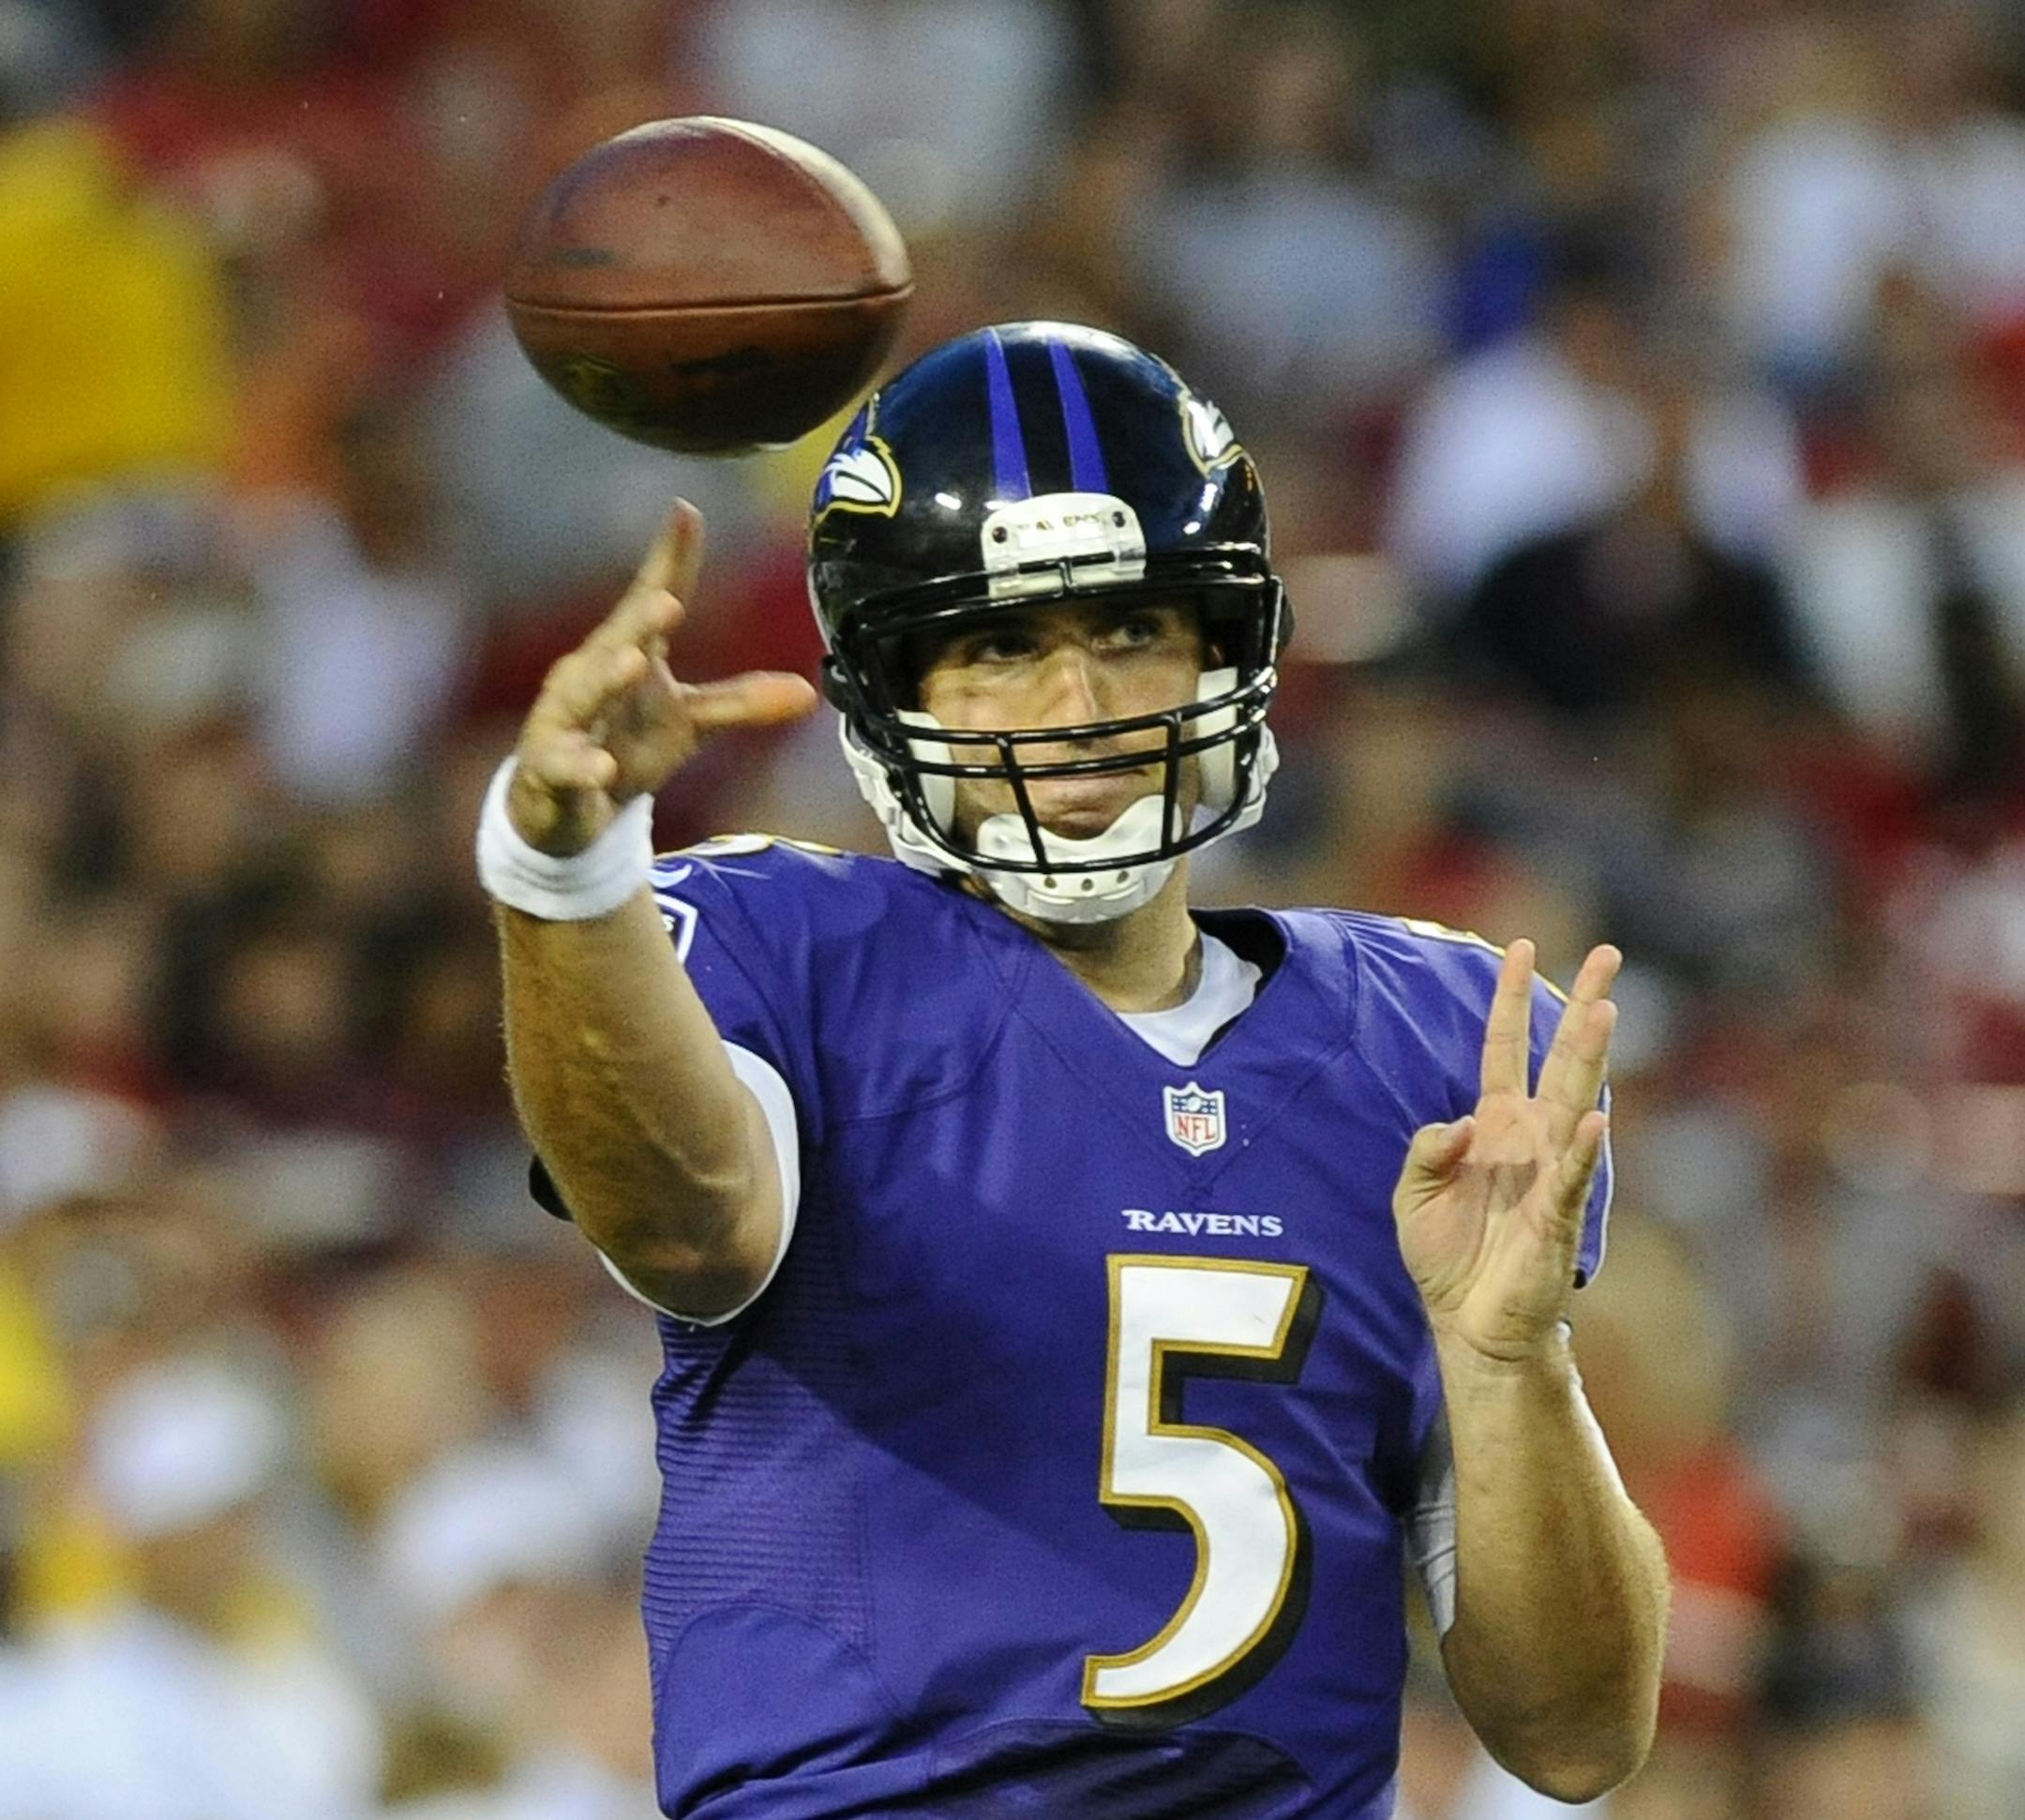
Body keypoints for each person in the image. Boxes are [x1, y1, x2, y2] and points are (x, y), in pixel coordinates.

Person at [478, 322, 1669, 1818]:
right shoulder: (783, 950)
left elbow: (1576, 1734)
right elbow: (682, 1225)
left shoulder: (1431, 1043)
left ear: (1224, 649)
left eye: (1127, 631)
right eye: (998, 645)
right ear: (894, 685)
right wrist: (568, 868)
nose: (1075, 701)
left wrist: (1512, 1366)